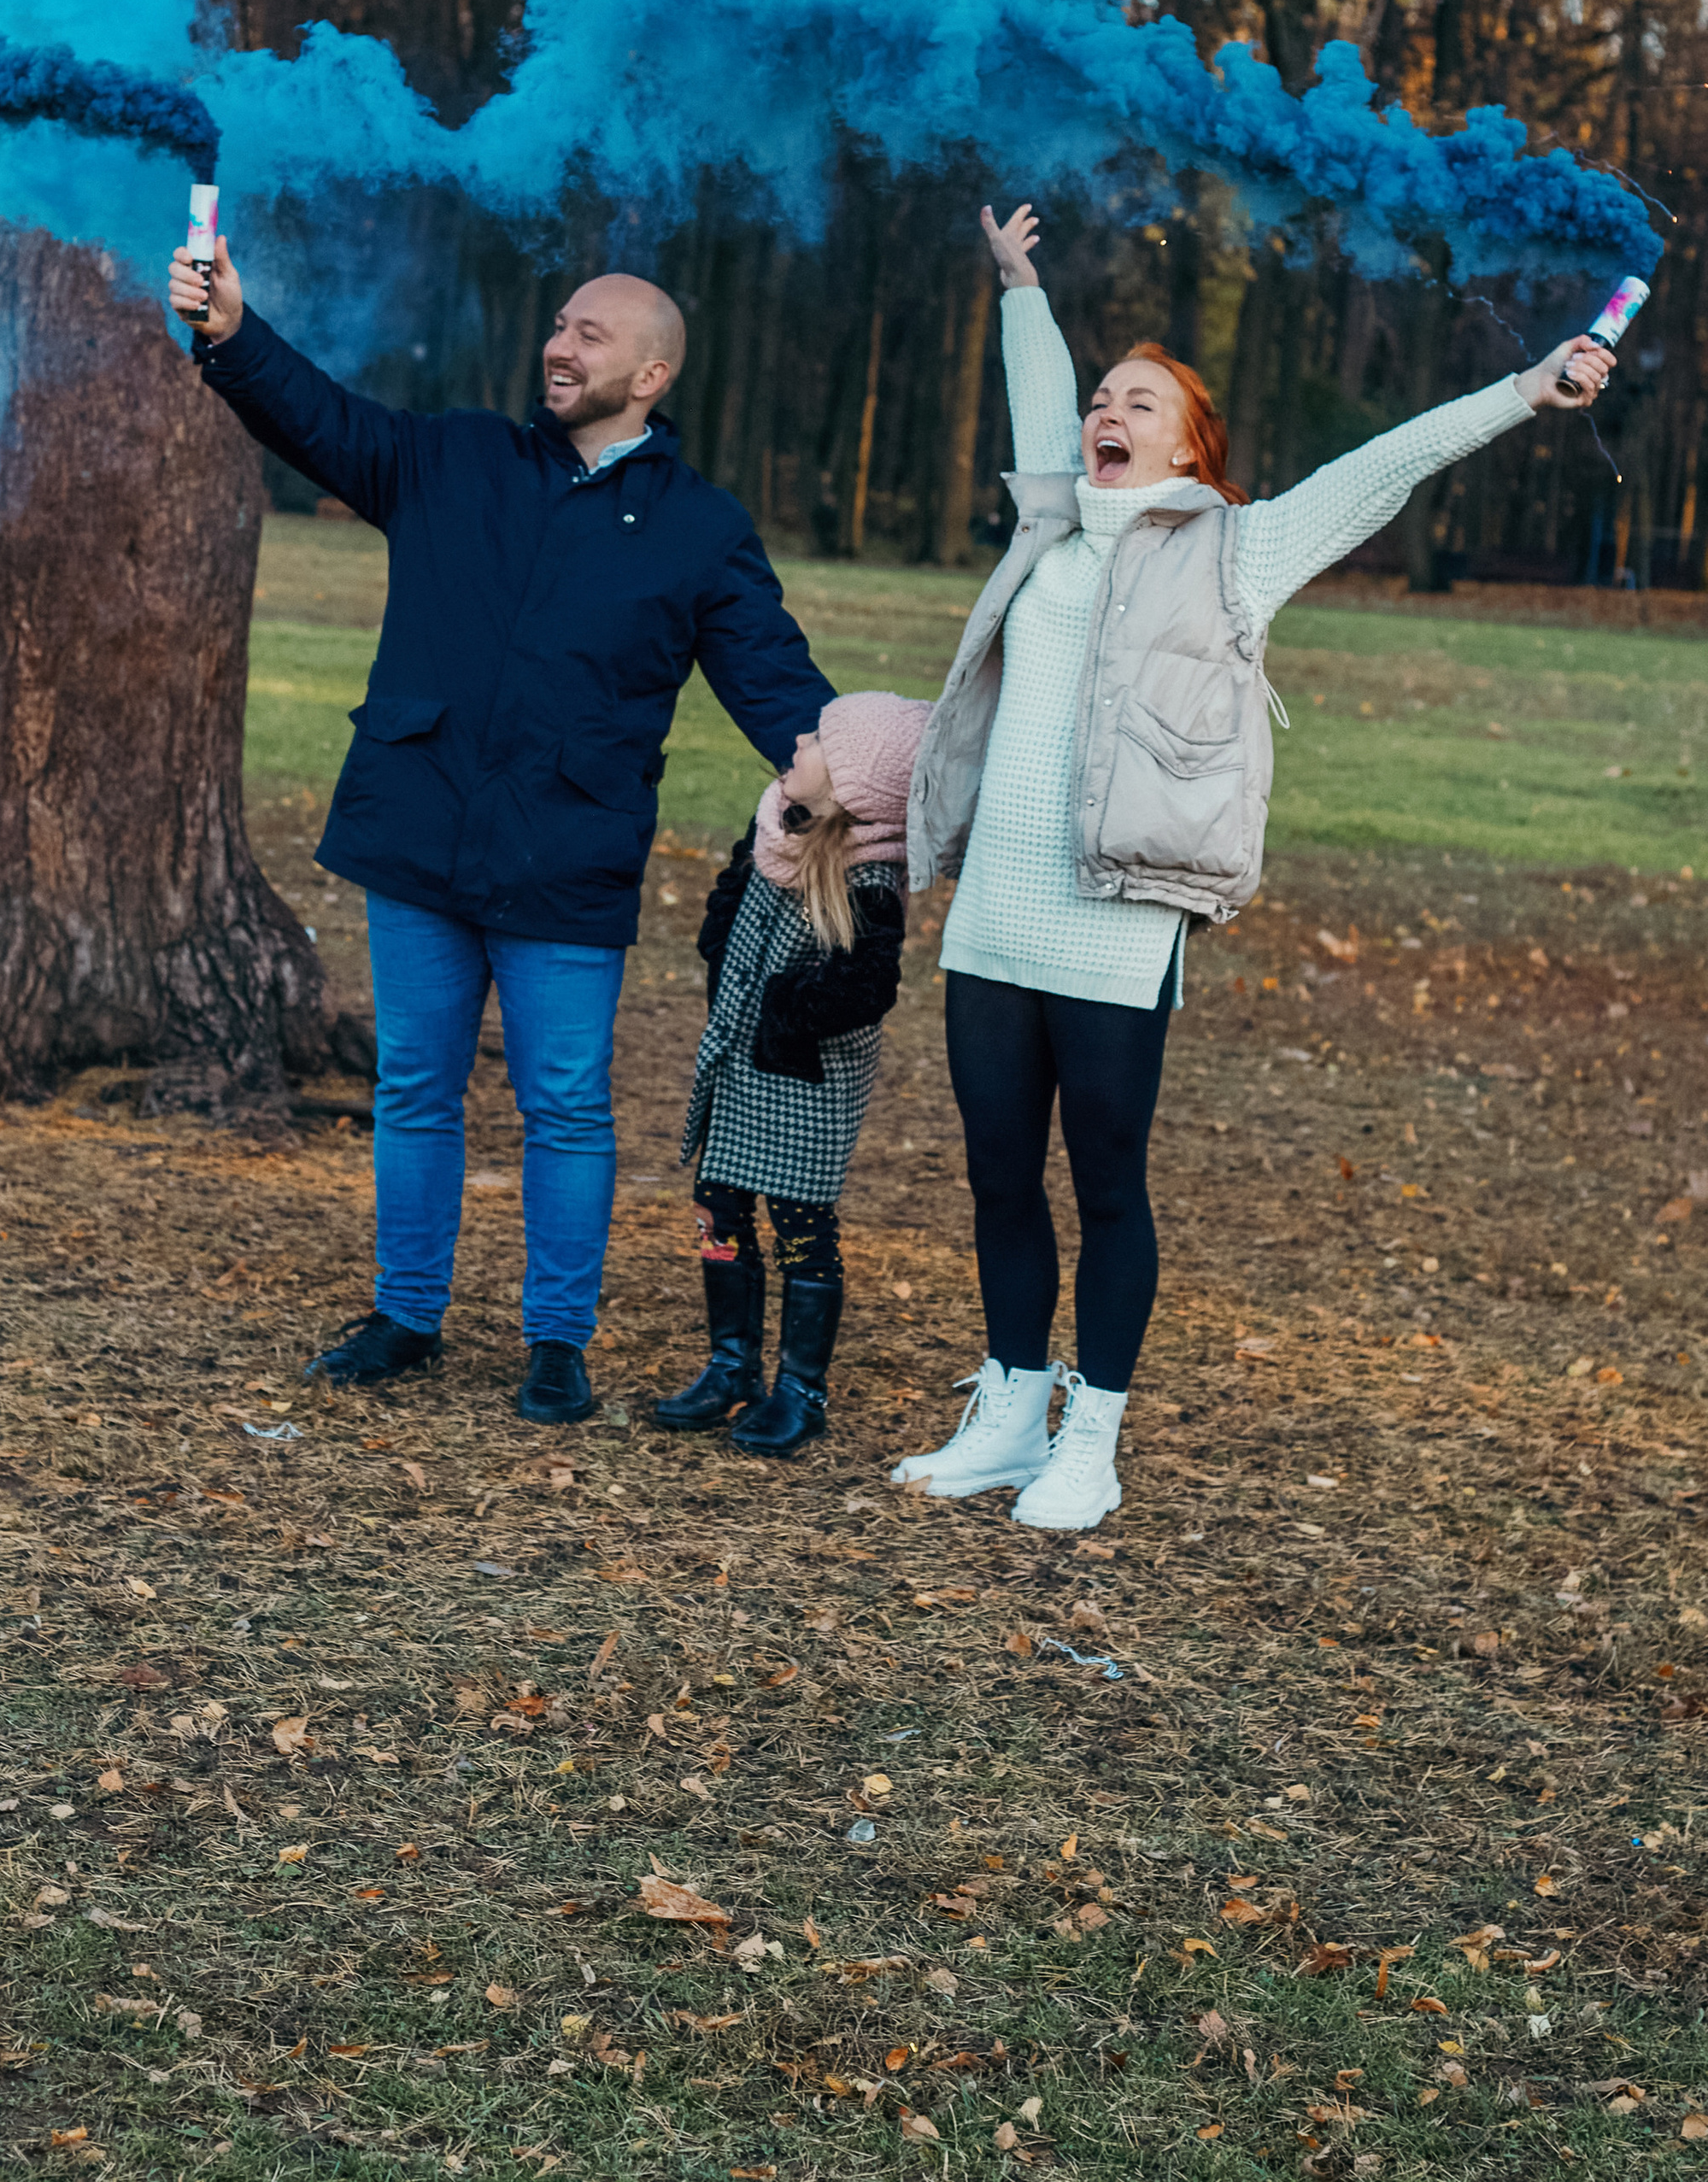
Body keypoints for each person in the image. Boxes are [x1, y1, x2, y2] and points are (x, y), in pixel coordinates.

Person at [893, 201, 1617, 1530]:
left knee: (1107, 1183)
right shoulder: (1052, 523)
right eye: (1105, 397)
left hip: (1119, 921)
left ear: (1192, 445)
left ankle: (1089, 1438)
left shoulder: (1240, 548)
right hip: (995, 915)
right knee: (1000, 1174)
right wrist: (1017, 282)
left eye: (1143, 403)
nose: (1110, 411)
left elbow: (1391, 462)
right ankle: (1008, 1408)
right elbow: (1039, 397)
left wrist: (1527, 390)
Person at [166, 227, 831, 1424]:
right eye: (560, 324)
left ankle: (555, 1342)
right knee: (416, 1084)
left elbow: (779, 690)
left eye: (592, 333)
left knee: (564, 1103)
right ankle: (405, 1314)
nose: (560, 344)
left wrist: (860, 777)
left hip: (567, 853)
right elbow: (322, 419)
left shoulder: (701, 528)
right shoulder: (455, 456)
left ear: (654, 375)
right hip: (417, 829)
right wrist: (232, 336)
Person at [655, 692, 933, 1457]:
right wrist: (720, 947)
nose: (799, 738)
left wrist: (784, 1011)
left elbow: (867, 988)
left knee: (802, 1225)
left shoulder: (869, 880)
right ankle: (730, 1364)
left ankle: (801, 1390)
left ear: (853, 785)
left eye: (819, 741)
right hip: (738, 1057)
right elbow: (728, 903)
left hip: (805, 1077)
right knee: (718, 1203)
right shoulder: (775, 826)